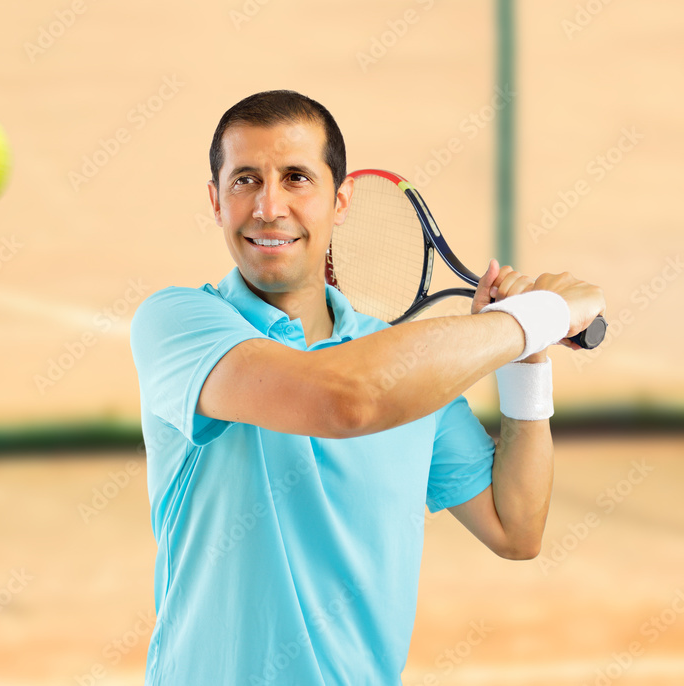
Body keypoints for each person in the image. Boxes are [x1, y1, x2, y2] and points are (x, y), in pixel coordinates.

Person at [129, 90, 605, 685]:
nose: (268, 205)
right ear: (215, 201)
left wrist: (528, 361)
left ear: (341, 200)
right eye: (245, 180)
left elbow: (516, 529)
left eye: (296, 178)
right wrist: (538, 318)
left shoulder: (402, 370)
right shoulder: (175, 322)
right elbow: (344, 400)